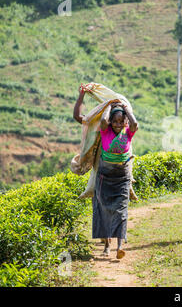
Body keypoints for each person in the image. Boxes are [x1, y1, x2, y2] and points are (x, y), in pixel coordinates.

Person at [73, 84, 138, 259]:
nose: (117, 124)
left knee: (120, 209)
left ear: (124, 121)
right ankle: (106, 243)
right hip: (103, 173)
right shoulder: (101, 130)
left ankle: (118, 246)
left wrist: (124, 108)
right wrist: (82, 95)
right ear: (109, 120)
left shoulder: (127, 132)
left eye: (121, 121)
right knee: (102, 207)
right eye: (114, 120)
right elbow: (78, 117)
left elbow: (134, 124)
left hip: (121, 175)